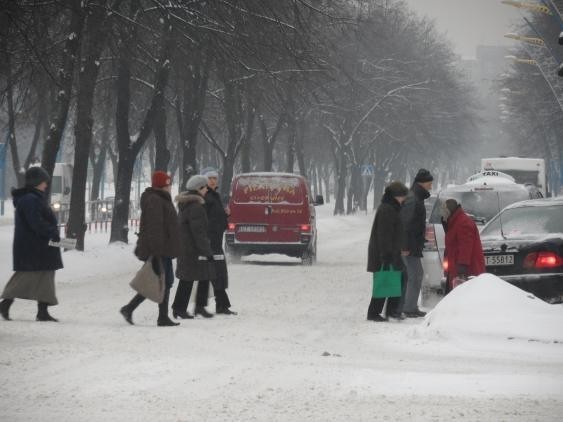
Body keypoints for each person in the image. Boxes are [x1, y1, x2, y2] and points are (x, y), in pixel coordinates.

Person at [0, 167, 63, 322]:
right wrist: (51, 232)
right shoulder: (31, 200)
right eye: (43, 181)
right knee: (25, 277)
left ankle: (42, 312)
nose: (46, 185)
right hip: (34, 246)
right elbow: (36, 223)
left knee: (45, 277)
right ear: (36, 182)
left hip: (38, 246)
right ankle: (6, 304)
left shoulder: (34, 198)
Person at [120, 171, 181, 327]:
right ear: (162, 185)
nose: (170, 187)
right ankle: (160, 317)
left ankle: (130, 309)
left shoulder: (161, 199)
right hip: (159, 249)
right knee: (161, 281)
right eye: (168, 184)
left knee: (160, 281)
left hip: (163, 248)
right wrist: (156, 251)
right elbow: (155, 228)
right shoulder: (155, 200)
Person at [172, 175, 215, 319]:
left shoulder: (187, 205)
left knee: (201, 276)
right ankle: (180, 308)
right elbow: (199, 232)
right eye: (205, 188)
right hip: (192, 249)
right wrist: (207, 251)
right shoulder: (196, 207)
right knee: (188, 279)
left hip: (186, 248)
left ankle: (197, 307)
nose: (207, 190)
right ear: (199, 189)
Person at [366, 181, 409, 322]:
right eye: (403, 196)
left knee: (395, 279)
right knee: (385, 281)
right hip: (384, 253)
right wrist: (386, 256)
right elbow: (384, 234)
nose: (404, 199)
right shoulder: (387, 209)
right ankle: (375, 313)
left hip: (390, 252)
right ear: (396, 196)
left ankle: (391, 311)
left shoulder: (392, 208)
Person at [400, 168, 433, 318]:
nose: (431, 186)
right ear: (422, 183)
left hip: (412, 243)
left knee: (412, 275)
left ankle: (407, 306)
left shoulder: (415, 197)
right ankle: (409, 308)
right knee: (415, 274)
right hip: (409, 246)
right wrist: (405, 246)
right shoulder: (413, 198)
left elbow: (414, 224)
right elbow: (405, 224)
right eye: (429, 183)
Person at [203, 169, 237, 315]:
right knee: (215, 273)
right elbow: (206, 219)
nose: (212, 181)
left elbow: (217, 218)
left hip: (216, 240)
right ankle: (219, 305)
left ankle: (222, 304)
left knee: (219, 272)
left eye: (214, 178)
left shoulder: (215, 196)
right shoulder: (207, 197)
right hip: (210, 241)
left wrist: (225, 215)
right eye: (210, 178)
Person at [442, 199, 486, 292]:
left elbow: (466, 247)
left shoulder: (463, 222)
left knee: (466, 296)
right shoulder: (454, 222)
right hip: (456, 268)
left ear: (449, 210)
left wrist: (462, 268)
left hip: (466, 271)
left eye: (444, 210)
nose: (442, 213)